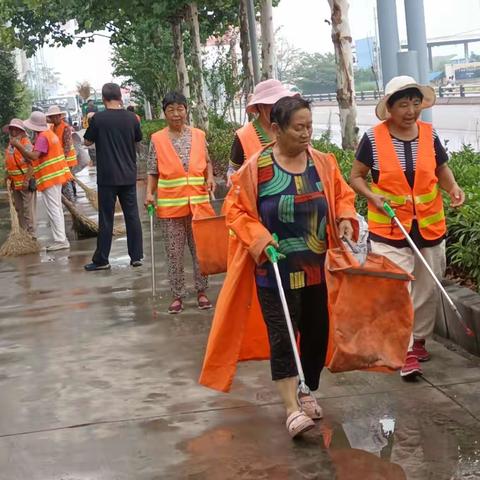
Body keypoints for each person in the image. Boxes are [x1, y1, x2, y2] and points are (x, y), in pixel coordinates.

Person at [199, 97, 358, 438]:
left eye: (309, 126)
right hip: (273, 270)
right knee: (283, 336)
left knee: (316, 335)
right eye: (298, 128)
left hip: (316, 269)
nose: (306, 134)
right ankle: (290, 408)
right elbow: (236, 211)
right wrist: (258, 238)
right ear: (277, 129)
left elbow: (342, 195)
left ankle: (306, 389)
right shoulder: (257, 169)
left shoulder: (323, 163)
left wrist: (344, 218)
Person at [349, 75, 465, 378]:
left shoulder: (429, 134)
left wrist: (452, 187)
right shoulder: (373, 139)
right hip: (390, 227)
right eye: (403, 104)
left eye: (415, 103)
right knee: (397, 289)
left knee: (427, 288)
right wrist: (372, 196)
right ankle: (406, 349)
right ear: (390, 107)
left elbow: (441, 168)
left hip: (428, 225)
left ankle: (419, 339)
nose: (411, 110)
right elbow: (356, 176)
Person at [145, 91, 216, 314]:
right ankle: (177, 295)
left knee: (200, 252)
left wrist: (211, 177)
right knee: (174, 253)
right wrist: (149, 193)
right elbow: (152, 170)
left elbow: (207, 161)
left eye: (180, 109)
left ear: (186, 110)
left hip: (198, 204)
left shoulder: (198, 135)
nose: (176, 114)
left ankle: (201, 291)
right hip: (171, 207)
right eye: (171, 110)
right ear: (164, 112)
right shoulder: (157, 139)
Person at [83, 82, 143, 271]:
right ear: (119, 97)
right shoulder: (132, 118)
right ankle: (136, 257)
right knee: (132, 216)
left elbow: (87, 141)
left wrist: (92, 122)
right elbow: (137, 139)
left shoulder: (98, 120)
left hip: (108, 177)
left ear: (103, 99)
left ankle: (102, 259)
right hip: (128, 175)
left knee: (106, 218)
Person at [12, 111, 72, 251]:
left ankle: (60, 240)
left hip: (49, 177)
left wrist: (19, 146)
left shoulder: (42, 137)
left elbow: (34, 156)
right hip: (55, 176)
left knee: (53, 209)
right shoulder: (49, 134)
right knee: (56, 208)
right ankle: (61, 238)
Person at [227, 79, 298, 185]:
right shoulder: (244, 136)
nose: (281, 110)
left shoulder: (292, 129)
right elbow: (233, 174)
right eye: (274, 105)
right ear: (261, 107)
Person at [3, 119, 36, 236]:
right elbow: (9, 162)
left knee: (28, 210)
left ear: (21, 131)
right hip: (14, 183)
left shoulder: (25, 143)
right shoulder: (11, 144)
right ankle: (23, 233)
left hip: (24, 182)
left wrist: (27, 180)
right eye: (11, 129)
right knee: (18, 209)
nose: (13, 131)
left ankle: (31, 234)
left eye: (16, 129)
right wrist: (7, 176)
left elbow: (32, 163)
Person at [46, 105, 77, 200]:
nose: (55, 118)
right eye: (52, 117)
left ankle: (70, 198)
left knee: (66, 180)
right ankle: (70, 196)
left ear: (60, 116)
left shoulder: (65, 127)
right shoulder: (51, 128)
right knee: (65, 180)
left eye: (56, 116)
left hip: (67, 159)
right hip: (59, 159)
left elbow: (67, 145)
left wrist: (62, 159)